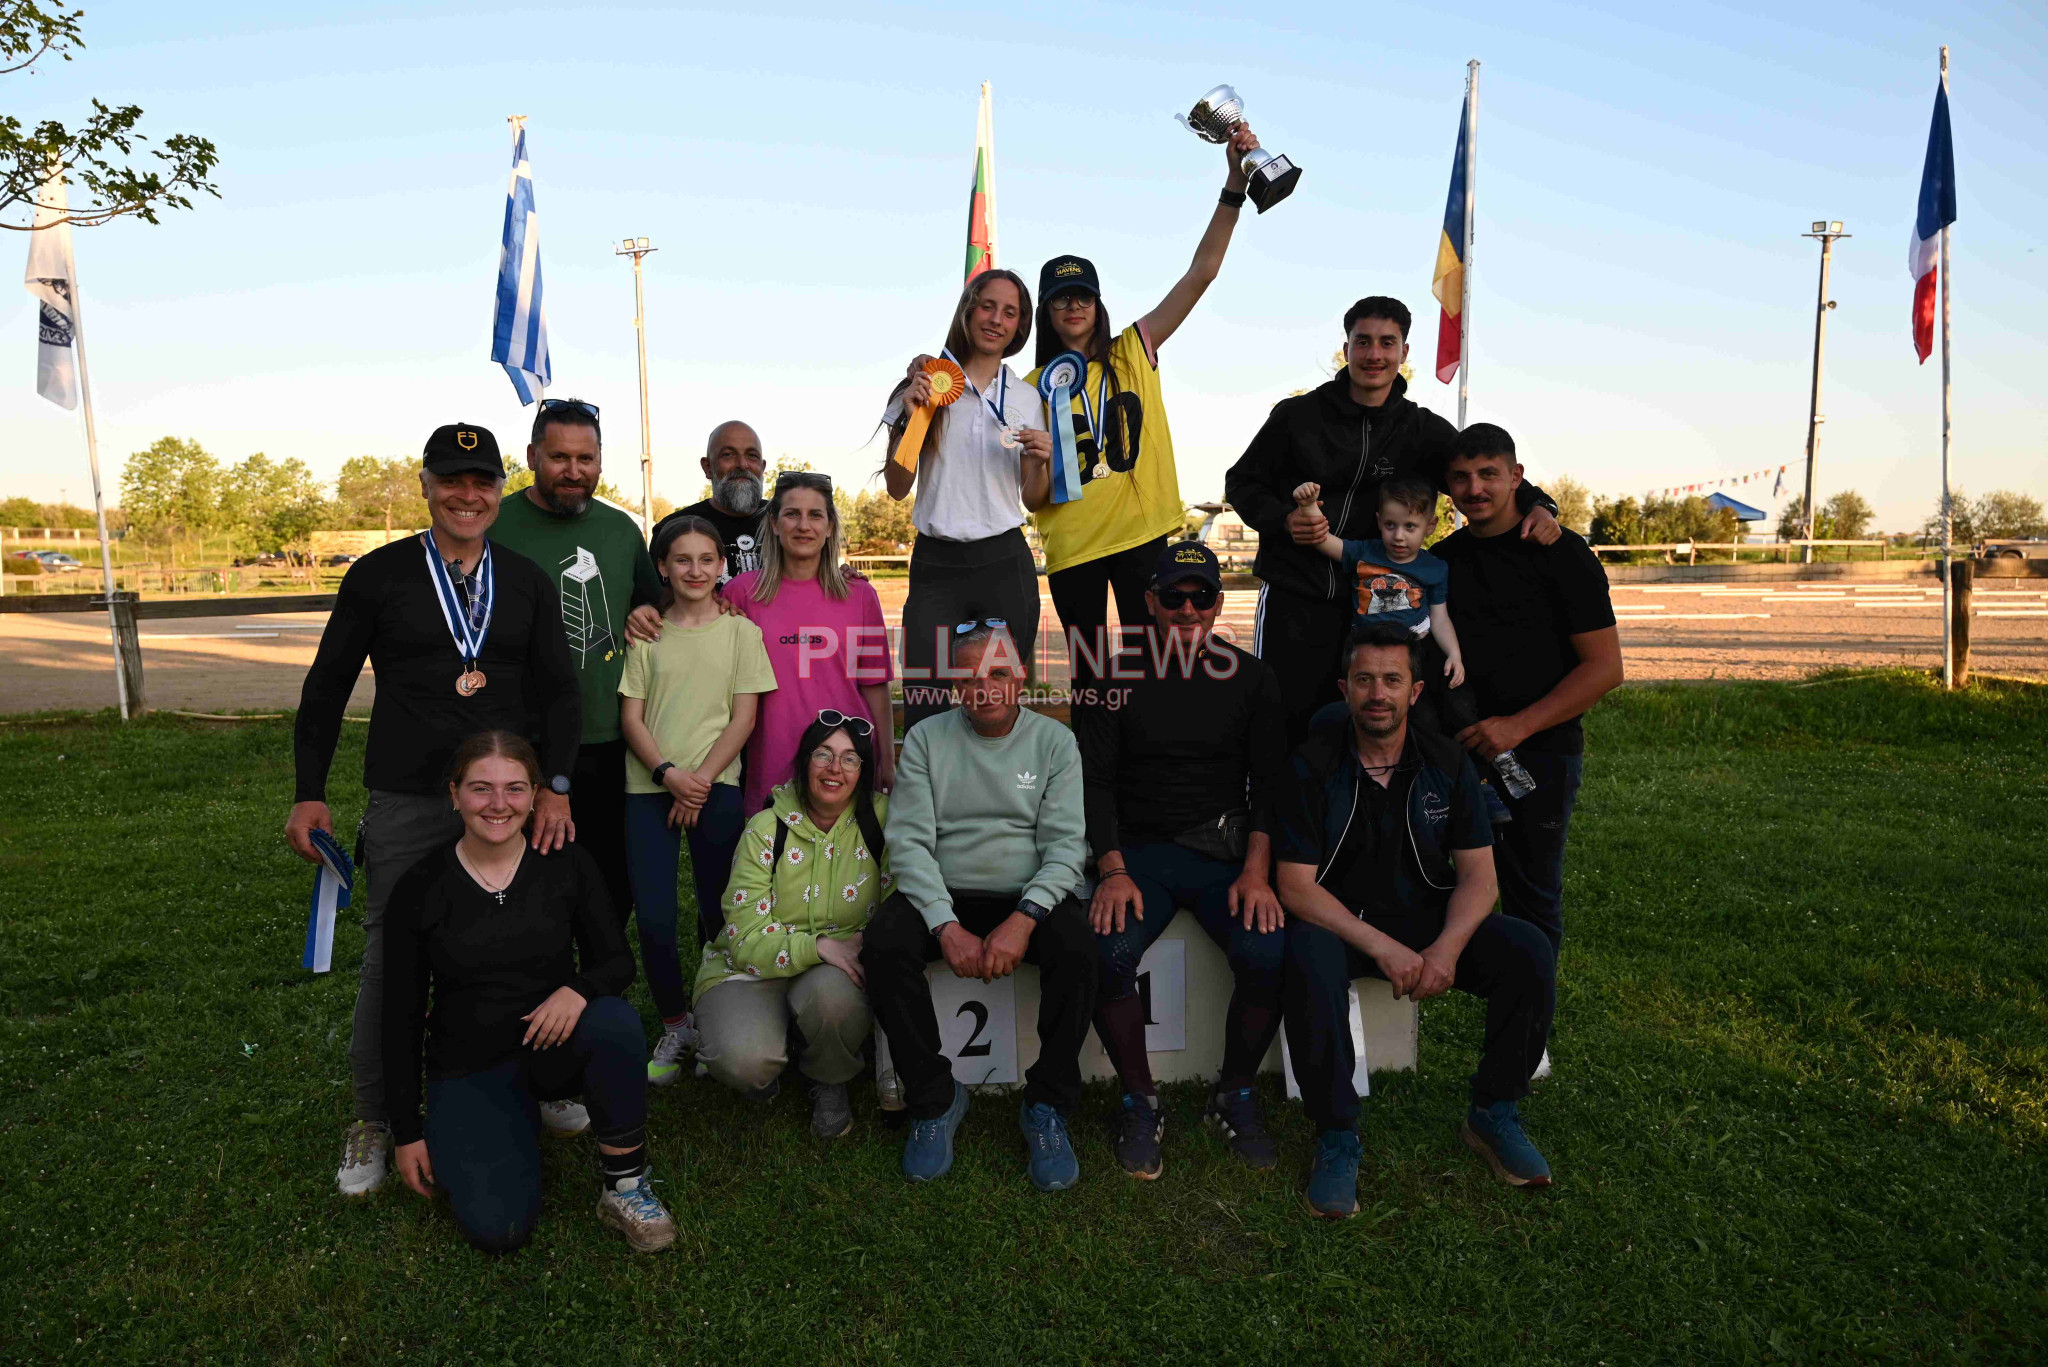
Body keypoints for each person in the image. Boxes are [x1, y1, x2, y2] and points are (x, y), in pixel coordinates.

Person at [286, 422, 583, 1199]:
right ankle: (374, 1117)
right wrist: (309, 789)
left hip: (504, 802)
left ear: (498, 489)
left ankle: (544, 1078)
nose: (467, 494)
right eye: (451, 479)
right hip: (411, 799)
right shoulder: (379, 575)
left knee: (533, 939)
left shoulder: (523, 580)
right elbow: (326, 687)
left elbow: (559, 691)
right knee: (391, 955)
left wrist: (554, 785)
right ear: (424, 484)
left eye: (482, 481)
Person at [1275, 622, 1559, 1219]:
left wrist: (1447, 951)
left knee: (1528, 950)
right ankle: (1335, 1133)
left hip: (1430, 921)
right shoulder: (1310, 764)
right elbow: (1297, 887)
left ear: (1416, 691)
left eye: (1392, 680)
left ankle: (1494, 1112)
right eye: (1364, 680)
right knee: (1306, 957)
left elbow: (1481, 877)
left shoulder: (1448, 762)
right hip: (1342, 924)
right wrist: (1383, 948)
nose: (1378, 693)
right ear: (1344, 689)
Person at [382, 731, 675, 1255]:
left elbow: (617, 961)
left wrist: (578, 990)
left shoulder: (566, 863)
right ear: (454, 794)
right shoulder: (421, 887)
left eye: (515, 789)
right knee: (500, 1230)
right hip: (470, 1065)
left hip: (551, 1044)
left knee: (613, 1022)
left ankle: (625, 1185)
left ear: (536, 794)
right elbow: (399, 1015)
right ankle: (510, 1121)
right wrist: (406, 1132)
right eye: (481, 789)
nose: (499, 805)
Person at [1223, 297, 1561, 747]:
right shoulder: (1297, 416)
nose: (1374, 354)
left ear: (1404, 352)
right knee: (1284, 723)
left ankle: (1366, 815)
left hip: (1374, 605)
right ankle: (1273, 818)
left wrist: (1540, 504)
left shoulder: (1420, 429)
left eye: (1387, 342)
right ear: (1347, 348)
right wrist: (1284, 520)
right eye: (1363, 342)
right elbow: (1242, 482)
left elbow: (1481, 470)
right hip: (1295, 595)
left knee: (1369, 729)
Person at [1024, 122, 1264, 698]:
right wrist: (1037, 455)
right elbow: (1030, 494)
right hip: (1072, 546)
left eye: (1083, 295)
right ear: (1047, 314)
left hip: (1142, 539)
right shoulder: (1029, 386)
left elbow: (1201, 273)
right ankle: (1090, 783)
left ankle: (1152, 779)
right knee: (1087, 679)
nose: (1073, 306)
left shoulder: (1137, 347)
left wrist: (1233, 185)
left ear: (1099, 303)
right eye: (1060, 300)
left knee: (1151, 672)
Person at [1073, 541, 1288, 1180]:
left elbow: (1270, 784)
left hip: (1222, 853)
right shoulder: (1114, 674)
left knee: (1268, 951)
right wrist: (1110, 869)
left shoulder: (1253, 678)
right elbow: (1096, 784)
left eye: (1201, 596)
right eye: (1174, 596)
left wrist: (1256, 871)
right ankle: (1141, 1100)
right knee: (1106, 951)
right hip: (1139, 856)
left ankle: (1236, 1091)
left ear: (1219, 604)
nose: (1188, 609)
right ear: (1151, 604)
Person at [860, 623, 1093, 1191]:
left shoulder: (1055, 742)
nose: (985, 687)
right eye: (969, 676)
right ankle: (934, 1098)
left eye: (997, 673)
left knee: (1081, 947)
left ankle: (1047, 1103)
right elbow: (910, 842)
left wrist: (1026, 917)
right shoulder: (926, 738)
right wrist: (944, 924)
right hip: (945, 888)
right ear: (953, 687)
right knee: (885, 942)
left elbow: (1065, 848)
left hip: (1025, 892)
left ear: (1020, 678)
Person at [1432, 424, 1622, 984]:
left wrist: (1517, 727)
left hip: (1539, 753)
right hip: (1453, 753)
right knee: (1433, 879)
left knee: (1531, 894)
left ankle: (1530, 1033)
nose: (1476, 488)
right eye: (1462, 477)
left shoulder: (1562, 554)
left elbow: (1605, 669)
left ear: (1516, 477)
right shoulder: (1441, 563)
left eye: (1489, 474)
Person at [490, 398, 667, 923]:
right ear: (531, 456)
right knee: (522, 883)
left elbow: (653, 597)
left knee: (611, 884)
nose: (574, 471)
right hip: (521, 737)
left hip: (611, 737)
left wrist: (644, 609)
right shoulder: (496, 526)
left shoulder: (619, 530)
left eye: (586, 459)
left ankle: (599, 993)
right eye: (559, 457)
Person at [618, 515, 777, 1085]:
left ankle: (721, 1018)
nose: (694, 570)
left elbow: (744, 716)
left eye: (706, 559)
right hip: (649, 789)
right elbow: (631, 715)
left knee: (720, 912)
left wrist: (700, 781)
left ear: (721, 566)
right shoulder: (647, 632)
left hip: (716, 788)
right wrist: (668, 776)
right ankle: (676, 1022)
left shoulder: (741, 633)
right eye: (681, 560)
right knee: (657, 919)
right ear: (663, 567)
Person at [693, 713, 893, 1139]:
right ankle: (771, 1054)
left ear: (864, 771)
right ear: (804, 762)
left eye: (850, 759)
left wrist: (863, 944)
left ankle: (829, 1076)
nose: (835, 769)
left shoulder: (882, 824)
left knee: (834, 1003)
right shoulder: (766, 828)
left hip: (834, 971)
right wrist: (818, 946)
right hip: (750, 969)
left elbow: (900, 900)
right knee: (744, 1060)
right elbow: (745, 937)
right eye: (823, 754)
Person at [1290, 473, 1535, 798]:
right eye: (1391, 525)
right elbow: (1323, 541)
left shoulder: (1434, 568)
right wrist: (1308, 506)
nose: (1399, 536)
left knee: (1460, 709)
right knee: (1421, 721)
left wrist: (1454, 654)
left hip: (1421, 649)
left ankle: (1486, 783)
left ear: (1430, 526)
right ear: (1379, 522)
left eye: (1410, 527)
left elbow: (1440, 617)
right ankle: (1420, 788)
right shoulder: (1365, 553)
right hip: (1372, 654)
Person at [882, 269, 1052, 731]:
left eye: (1010, 312)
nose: (996, 319)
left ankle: (1001, 799)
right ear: (968, 309)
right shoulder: (922, 383)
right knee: (926, 699)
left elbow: (1033, 499)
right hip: (937, 566)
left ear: (1021, 326)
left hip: (1003, 559)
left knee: (998, 703)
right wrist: (911, 416)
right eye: (987, 306)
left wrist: (1038, 461)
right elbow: (898, 486)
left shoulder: (1028, 397)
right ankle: (930, 800)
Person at [727, 471, 896, 813]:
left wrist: (886, 761)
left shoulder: (860, 595)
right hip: (770, 763)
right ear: (774, 523)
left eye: (815, 515)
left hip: (844, 765)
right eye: (792, 514)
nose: (803, 525)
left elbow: (875, 686)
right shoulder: (741, 594)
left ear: (830, 526)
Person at [653, 420, 769, 584]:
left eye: (752, 456)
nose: (742, 464)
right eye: (728, 454)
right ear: (707, 467)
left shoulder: (787, 522)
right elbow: (659, 602)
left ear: (762, 467)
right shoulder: (675, 529)